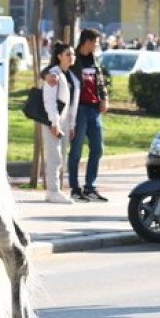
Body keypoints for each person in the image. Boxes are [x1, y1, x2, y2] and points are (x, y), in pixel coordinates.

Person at [65, 28, 111, 203]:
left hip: (94, 109)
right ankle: (75, 188)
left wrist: (104, 98)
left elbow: (101, 81)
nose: (97, 45)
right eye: (96, 42)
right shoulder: (73, 59)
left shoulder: (94, 60)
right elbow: (53, 69)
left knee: (97, 148)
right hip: (79, 110)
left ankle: (90, 187)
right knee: (76, 150)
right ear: (87, 42)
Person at [40, 41, 78, 204]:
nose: (72, 57)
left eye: (72, 54)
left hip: (64, 121)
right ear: (59, 56)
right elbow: (49, 101)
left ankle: (54, 190)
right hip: (53, 121)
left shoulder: (68, 74)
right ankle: (53, 191)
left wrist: (71, 125)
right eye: (68, 54)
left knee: (60, 156)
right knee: (54, 157)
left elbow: (70, 103)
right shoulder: (54, 74)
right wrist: (54, 123)